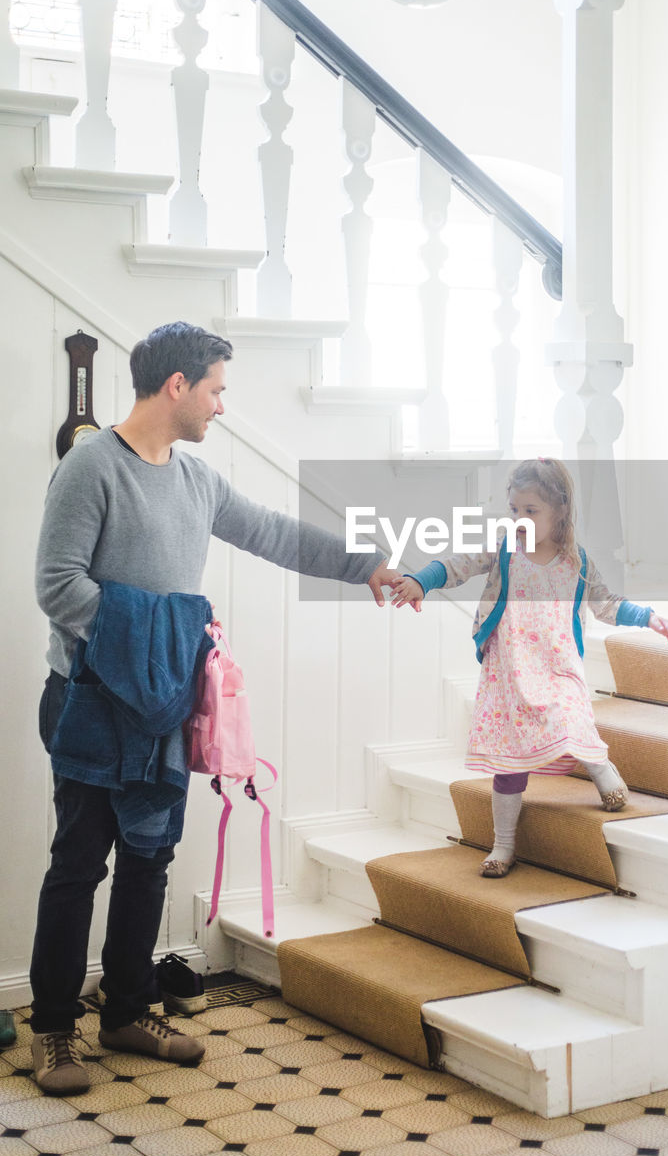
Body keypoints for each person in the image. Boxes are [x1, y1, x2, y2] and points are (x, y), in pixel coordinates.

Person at [32, 321, 400, 1096]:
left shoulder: (197, 481)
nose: (220, 407)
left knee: (149, 862)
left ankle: (127, 1011)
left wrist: (363, 564)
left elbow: (271, 533)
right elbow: (57, 587)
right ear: (178, 387)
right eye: (216, 390)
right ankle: (55, 1033)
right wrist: (153, 644)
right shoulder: (90, 468)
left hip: (162, 707)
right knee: (77, 865)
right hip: (90, 704)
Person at [391, 457, 668, 878]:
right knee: (510, 761)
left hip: (558, 665)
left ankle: (601, 767)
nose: (520, 519)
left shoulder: (575, 560)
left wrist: (645, 616)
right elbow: (458, 564)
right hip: (512, 671)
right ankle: (503, 845)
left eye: (531, 511)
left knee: (571, 718)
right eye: (515, 510)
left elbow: (605, 603)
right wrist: (421, 580)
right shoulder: (505, 547)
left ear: (560, 509)